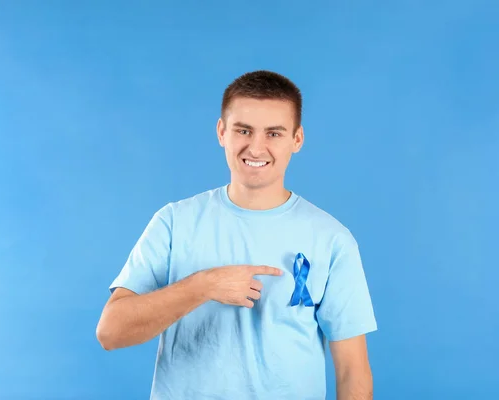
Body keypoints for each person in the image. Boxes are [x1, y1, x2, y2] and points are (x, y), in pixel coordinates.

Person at [96, 70, 378, 400]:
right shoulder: (174, 223)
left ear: (297, 139)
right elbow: (111, 332)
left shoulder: (332, 238)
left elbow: (353, 372)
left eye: (274, 133)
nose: (256, 148)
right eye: (244, 130)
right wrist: (204, 285)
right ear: (222, 132)